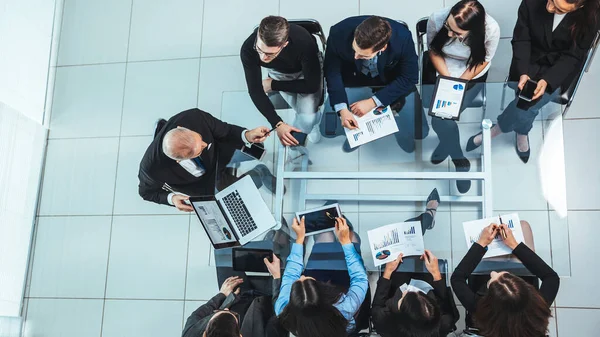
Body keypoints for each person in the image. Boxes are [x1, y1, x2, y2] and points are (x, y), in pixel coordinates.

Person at [466, 0, 600, 163]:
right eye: (551, 0)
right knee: (525, 105)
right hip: (529, 59)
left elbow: (573, 56)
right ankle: (521, 132)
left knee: (526, 107)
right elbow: (522, 39)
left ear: (580, 6)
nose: (549, 7)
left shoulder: (591, 18)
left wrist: (548, 80)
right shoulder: (533, 2)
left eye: (558, 9)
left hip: (558, 69)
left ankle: (500, 128)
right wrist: (523, 72)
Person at [426, 0, 500, 193]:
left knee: (441, 120)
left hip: (471, 74)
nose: (450, 34)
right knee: (441, 119)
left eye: (456, 33)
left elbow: (484, 59)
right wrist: (448, 79)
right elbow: (433, 50)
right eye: (448, 28)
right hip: (443, 70)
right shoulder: (437, 18)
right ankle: (459, 159)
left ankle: (448, 146)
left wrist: (461, 82)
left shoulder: (491, 29)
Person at [324, 15, 428, 153]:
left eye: (363, 56)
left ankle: (400, 132)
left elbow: (410, 78)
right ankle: (357, 135)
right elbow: (332, 73)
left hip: (390, 81)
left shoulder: (402, 38)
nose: (355, 56)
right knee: (328, 129)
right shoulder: (338, 32)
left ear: (382, 48)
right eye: (355, 50)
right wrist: (342, 109)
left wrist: (373, 102)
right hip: (354, 78)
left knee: (421, 131)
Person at [138, 108, 272, 212]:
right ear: (179, 161)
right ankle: (260, 173)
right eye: (199, 151)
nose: (204, 145)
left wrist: (247, 135)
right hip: (204, 184)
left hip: (220, 154)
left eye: (200, 140)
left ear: (182, 128)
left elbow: (226, 130)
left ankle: (240, 171)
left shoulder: (194, 118)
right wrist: (171, 199)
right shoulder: (151, 169)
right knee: (238, 198)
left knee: (257, 147)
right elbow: (146, 193)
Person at [451, 222, 560, 337]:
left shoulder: (479, 309)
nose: (493, 273)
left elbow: (457, 278)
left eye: (491, 280)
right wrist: (514, 245)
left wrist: (481, 243)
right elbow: (551, 278)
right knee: (523, 226)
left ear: (488, 302)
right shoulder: (537, 309)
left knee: (518, 228)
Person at [274, 216, 369, 337]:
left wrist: (300, 239)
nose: (302, 275)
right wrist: (346, 242)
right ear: (321, 290)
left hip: (328, 296)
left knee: (326, 235)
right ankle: (334, 218)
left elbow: (290, 275)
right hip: (341, 291)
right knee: (352, 237)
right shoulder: (343, 310)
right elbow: (360, 279)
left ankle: (329, 219)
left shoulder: (283, 310)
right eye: (306, 279)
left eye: (300, 280)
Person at [241, 16, 323, 146]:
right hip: (279, 73)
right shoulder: (248, 49)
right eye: (260, 49)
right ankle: (311, 122)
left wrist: (273, 85)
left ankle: (311, 123)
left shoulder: (303, 42)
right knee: (304, 114)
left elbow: (311, 85)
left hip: (305, 70)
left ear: (284, 45)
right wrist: (277, 123)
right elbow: (255, 90)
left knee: (306, 118)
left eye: (270, 54)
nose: (262, 57)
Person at [372, 249, 458, 337]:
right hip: (427, 285)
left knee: (403, 258)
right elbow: (447, 306)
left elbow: (377, 305)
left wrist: (388, 272)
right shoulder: (443, 324)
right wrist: (436, 274)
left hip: (395, 287)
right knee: (420, 257)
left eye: (403, 298)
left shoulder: (384, 321)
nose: (407, 291)